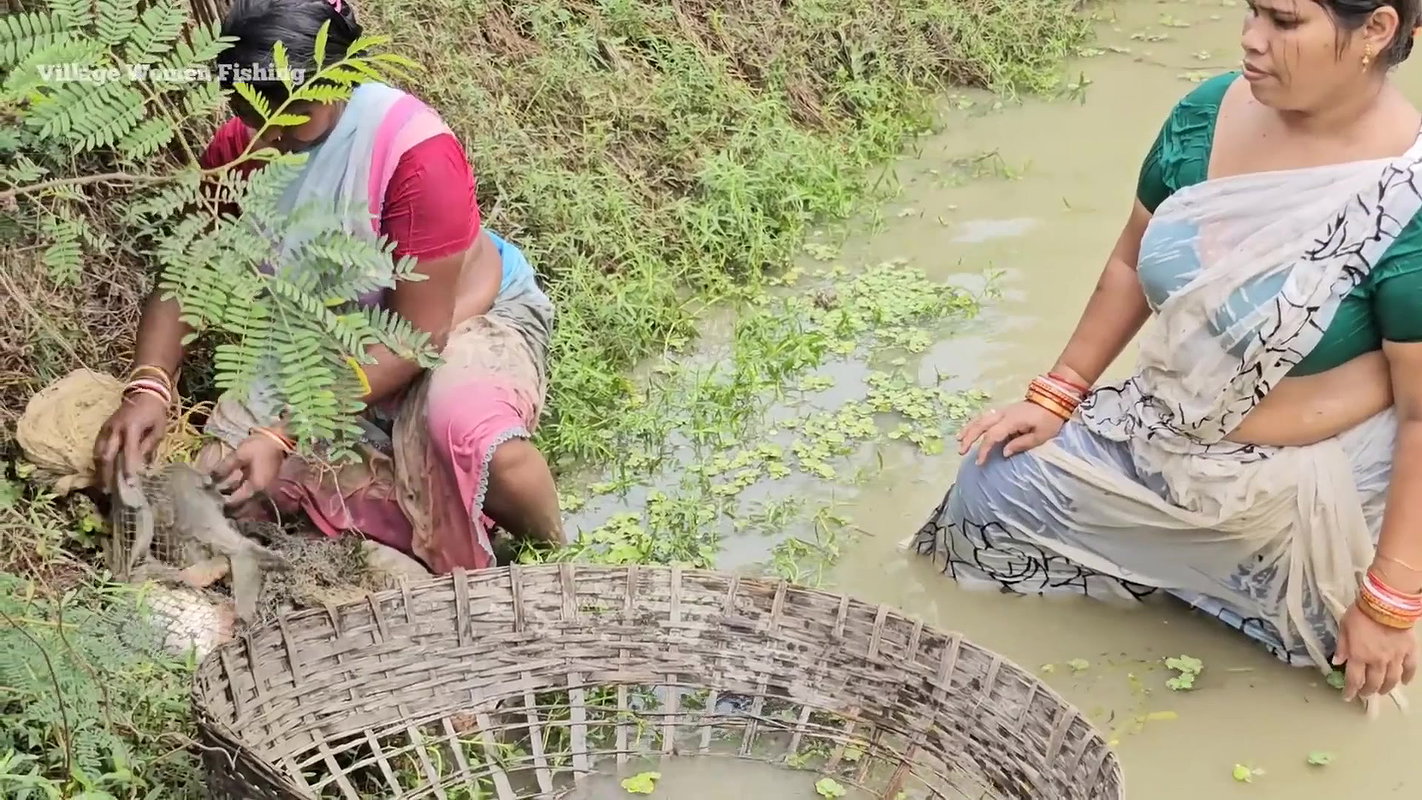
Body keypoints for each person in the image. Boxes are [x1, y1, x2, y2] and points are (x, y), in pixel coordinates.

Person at [914, 0, 1422, 706]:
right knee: (988, 494)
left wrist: (1391, 603)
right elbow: (1130, 260)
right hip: (1159, 434)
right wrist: (1056, 395)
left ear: (1376, 29)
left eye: (1283, 21)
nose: (1251, 40)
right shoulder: (1207, 114)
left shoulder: (1408, 201)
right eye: (1251, 13)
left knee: (1338, 666)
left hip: (1298, 502)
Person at [92, 0, 565, 574]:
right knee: (225, 474)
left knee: (463, 430)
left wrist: (284, 430)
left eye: (285, 105)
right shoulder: (237, 151)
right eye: (246, 105)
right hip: (325, 331)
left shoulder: (414, 153)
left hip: (456, 320)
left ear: (335, 75)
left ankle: (560, 553)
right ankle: (441, 534)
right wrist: (150, 387)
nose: (266, 124)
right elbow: (192, 273)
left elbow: (415, 337)